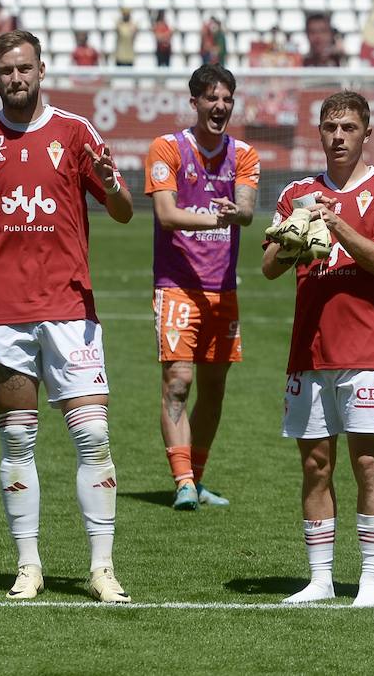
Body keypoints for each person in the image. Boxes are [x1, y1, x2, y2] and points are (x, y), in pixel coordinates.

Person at [0, 30, 135, 603]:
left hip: (70, 309)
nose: (16, 78)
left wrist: (113, 182)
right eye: (6, 71)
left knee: (93, 436)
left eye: (25, 68)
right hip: (5, 312)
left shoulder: (74, 132)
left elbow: (121, 212)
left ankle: (101, 568)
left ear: (42, 69)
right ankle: (28, 564)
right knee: (17, 442)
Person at [261, 92, 374, 607]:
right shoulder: (298, 192)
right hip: (309, 350)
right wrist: (294, 235)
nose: (339, 135)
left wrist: (338, 225)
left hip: (368, 349)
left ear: (367, 133)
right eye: (330, 127)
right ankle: (320, 579)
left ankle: (371, 581)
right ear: (320, 133)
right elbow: (268, 267)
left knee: (367, 463)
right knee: (315, 465)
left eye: (348, 127)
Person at [145, 66, 260, 509]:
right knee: (179, 380)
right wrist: (218, 217)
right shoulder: (167, 148)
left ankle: (197, 476)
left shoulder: (244, 153)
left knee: (214, 388)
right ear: (194, 103)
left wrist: (237, 212)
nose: (221, 106)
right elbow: (168, 215)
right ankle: (183, 482)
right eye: (212, 98)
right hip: (176, 286)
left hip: (222, 290)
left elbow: (247, 210)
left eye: (227, 99)